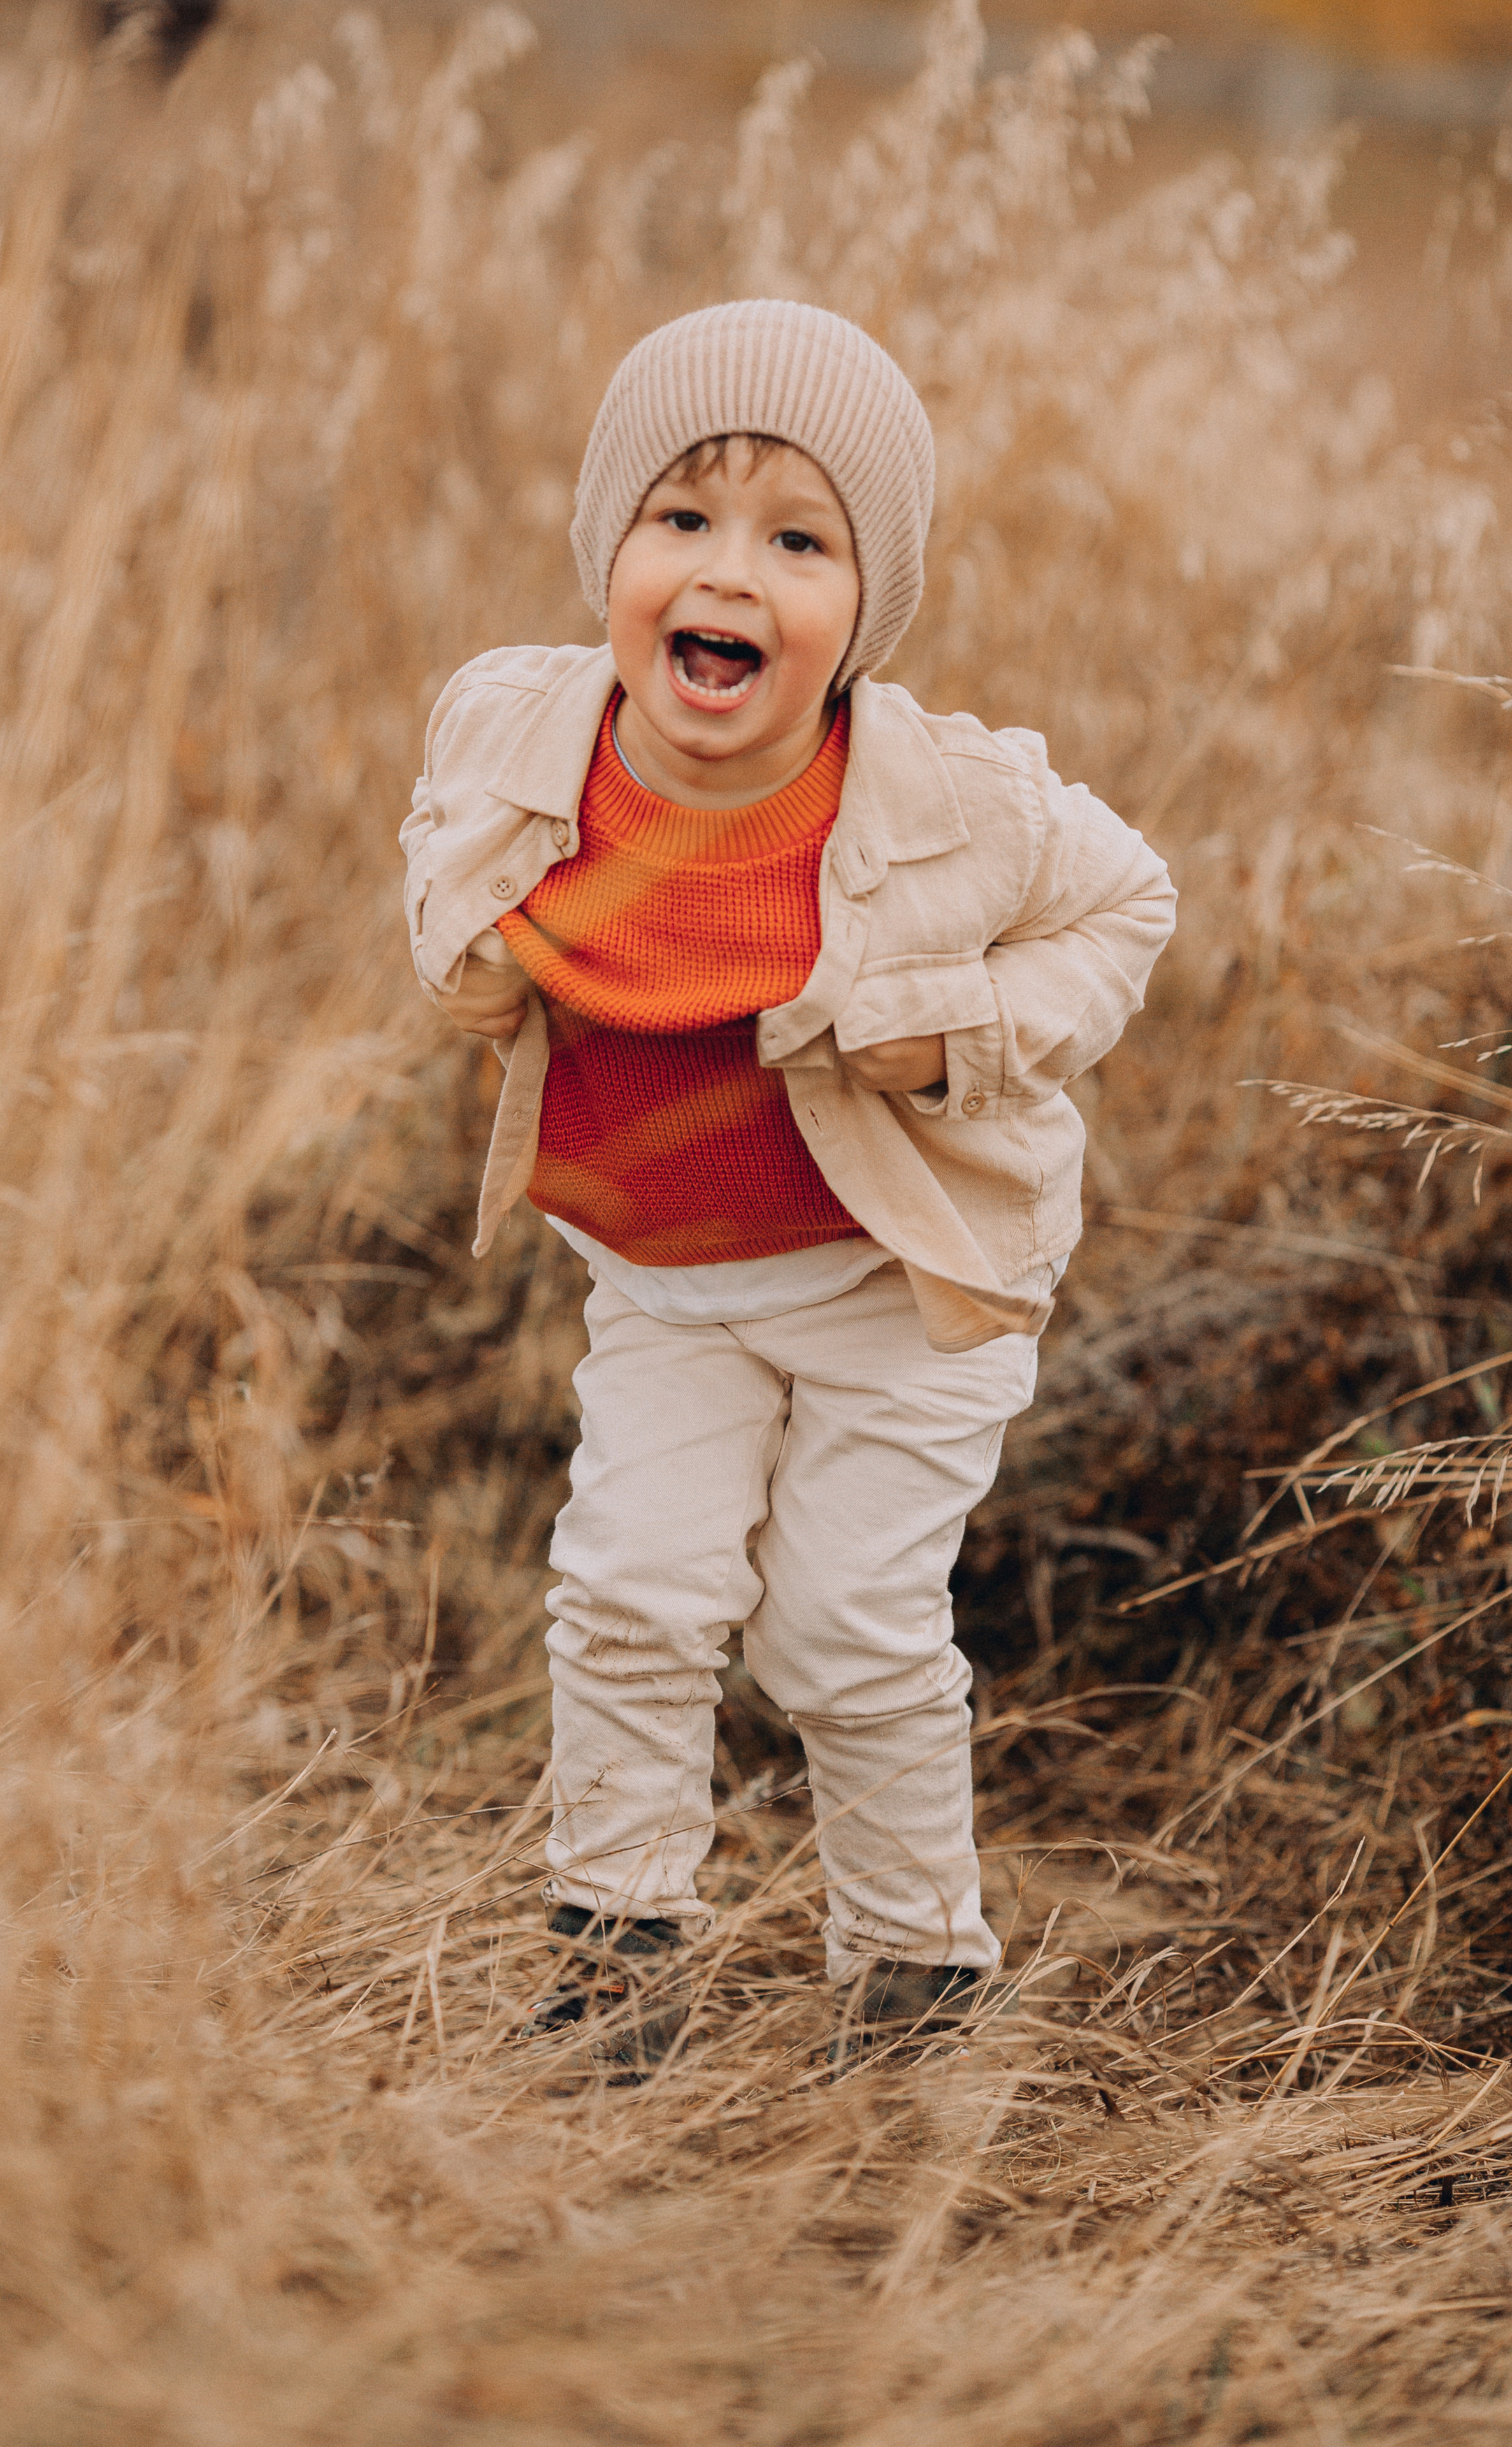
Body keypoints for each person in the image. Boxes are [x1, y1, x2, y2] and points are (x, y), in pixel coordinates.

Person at [401, 300, 1175, 2068]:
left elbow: (1133, 905)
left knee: (839, 1628)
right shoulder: (519, 732)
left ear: (864, 604)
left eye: (797, 538)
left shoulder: (944, 796)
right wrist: (466, 951)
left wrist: (966, 1028)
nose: (727, 572)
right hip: (668, 1282)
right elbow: (437, 842)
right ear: (612, 549)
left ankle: (913, 1974)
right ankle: (621, 1959)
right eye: (682, 519)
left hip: (901, 1285)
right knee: (630, 1590)